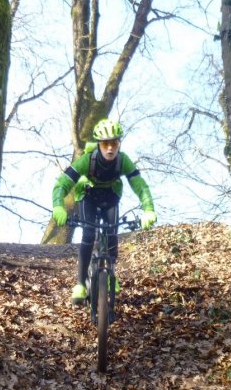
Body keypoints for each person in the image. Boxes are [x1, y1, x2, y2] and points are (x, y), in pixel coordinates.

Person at [51, 118, 157, 304]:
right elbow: (63, 183)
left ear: (119, 144)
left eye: (114, 143)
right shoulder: (87, 160)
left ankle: (110, 274)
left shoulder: (123, 160)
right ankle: (80, 284)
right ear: (99, 144)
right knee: (88, 233)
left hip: (110, 196)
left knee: (111, 232)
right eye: (106, 143)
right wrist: (58, 206)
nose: (110, 148)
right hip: (88, 195)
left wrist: (148, 208)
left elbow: (140, 186)